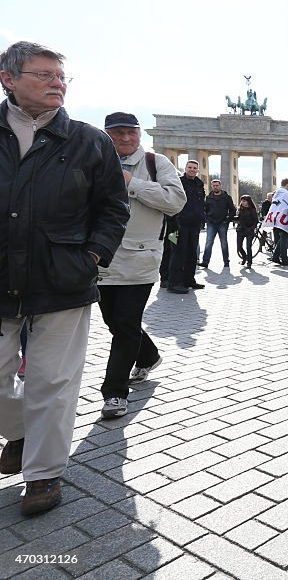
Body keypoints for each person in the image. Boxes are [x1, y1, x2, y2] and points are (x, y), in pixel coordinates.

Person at [0, 41, 130, 516]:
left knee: (53, 381)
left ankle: (43, 475)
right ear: (9, 79)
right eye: (44, 75)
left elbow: (114, 206)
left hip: (64, 276)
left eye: (61, 76)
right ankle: (19, 433)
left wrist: (93, 256)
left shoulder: (89, 140)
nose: (57, 83)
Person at [96, 112, 186, 420]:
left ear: (139, 134)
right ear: (105, 134)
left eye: (130, 132)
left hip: (140, 257)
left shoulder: (156, 162)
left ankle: (115, 393)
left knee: (124, 321)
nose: (124, 138)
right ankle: (148, 355)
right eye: (117, 133)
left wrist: (133, 183)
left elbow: (176, 200)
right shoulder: (94, 159)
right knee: (116, 321)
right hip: (101, 258)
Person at [167, 161, 207, 294]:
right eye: (189, 167)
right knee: (178, 253)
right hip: (179, 224)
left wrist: (202, 218)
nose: (192, 170)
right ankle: (174, 283)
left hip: (194, 224)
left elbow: (201, 203)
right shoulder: (178, 182)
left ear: (198, 170)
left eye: (195, 168)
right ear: (185, 169)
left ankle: (189, 280)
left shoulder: (199, 184)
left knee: (191, 254)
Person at [200, 179, 235, 269]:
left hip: (223, 223)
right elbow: (204, 209)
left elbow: (232, 210)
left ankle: (226, 261)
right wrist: (206, 218)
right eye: (214, 185)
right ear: (211, 186)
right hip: (211, 223)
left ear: (220, 186)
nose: (215, 187)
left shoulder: (227, 197)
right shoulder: (208, 197)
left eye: (217, 185)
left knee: (223, 243)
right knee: (208, 242)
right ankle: (205, 262)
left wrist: (227, 220)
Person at [265, 178, 288, 266]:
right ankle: (284, 259)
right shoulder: (286, 193)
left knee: (281, 240)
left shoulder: (277, 193)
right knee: (284, 239)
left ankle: (275, 257)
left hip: (275, 218)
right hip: (283, 219)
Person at [235, 195, 260, 269]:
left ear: (248, 201)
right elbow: (238, 218)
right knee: (239, 247)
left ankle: (249, 262)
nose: (242, 202)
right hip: (241, 230)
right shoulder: (240, 209)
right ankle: (244, 257)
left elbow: (256, 221)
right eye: (242, 201)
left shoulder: (252, 210)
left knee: (248, 247)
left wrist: (251, 228)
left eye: (244, 201)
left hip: (250, 230)